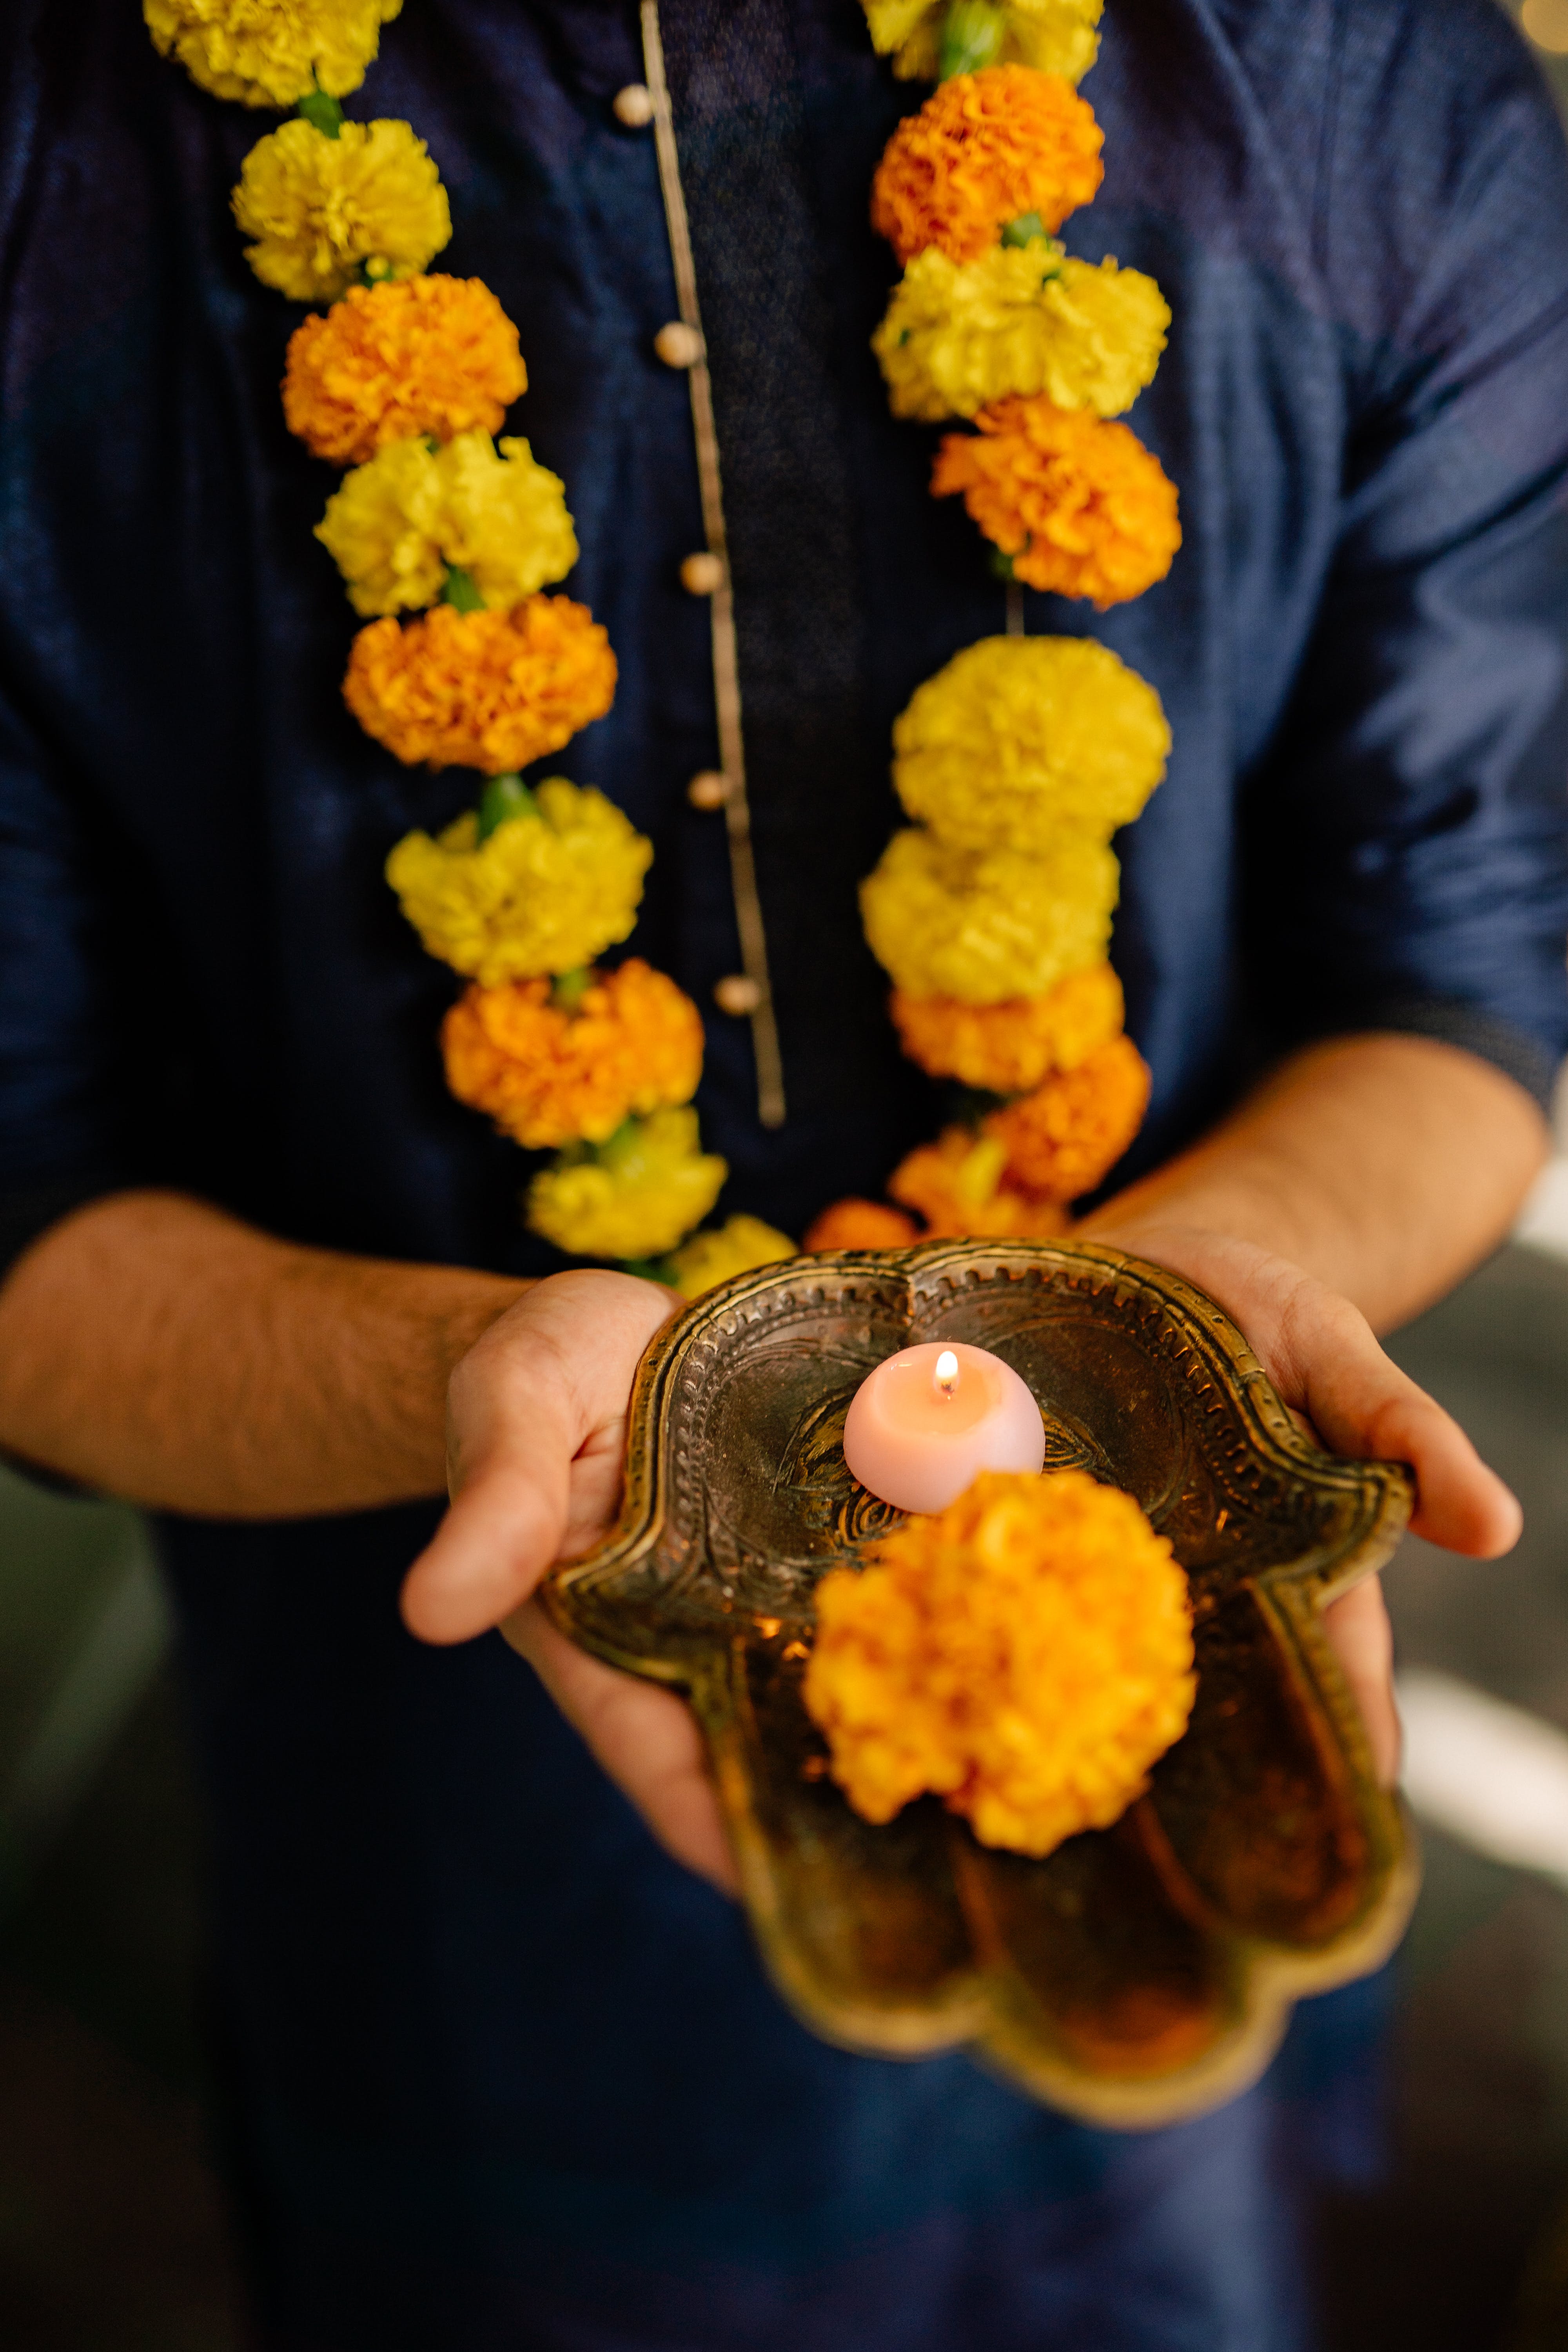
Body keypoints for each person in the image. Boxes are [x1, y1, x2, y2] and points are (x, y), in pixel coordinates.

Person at [0, 0, 1564, 2343]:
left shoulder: (1349, 72)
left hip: (1175, 1675)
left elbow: (1467, 963)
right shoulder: (43, 157)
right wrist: (449, 1374)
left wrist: (1199, 1297)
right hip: (466, 1860)